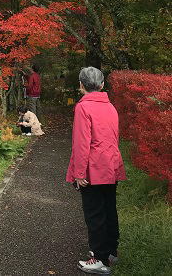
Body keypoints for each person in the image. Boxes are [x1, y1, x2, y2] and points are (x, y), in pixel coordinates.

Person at [66, 67, 126, 275]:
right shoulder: (111, 107)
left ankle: (99, 259)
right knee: (109, 209)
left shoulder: (83, 108)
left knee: (94, 213)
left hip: (93, 168)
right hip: (111, 164)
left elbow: (82, 143)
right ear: (102, 85)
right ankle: (111, 252)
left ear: (81, 85)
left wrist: (79, 173)